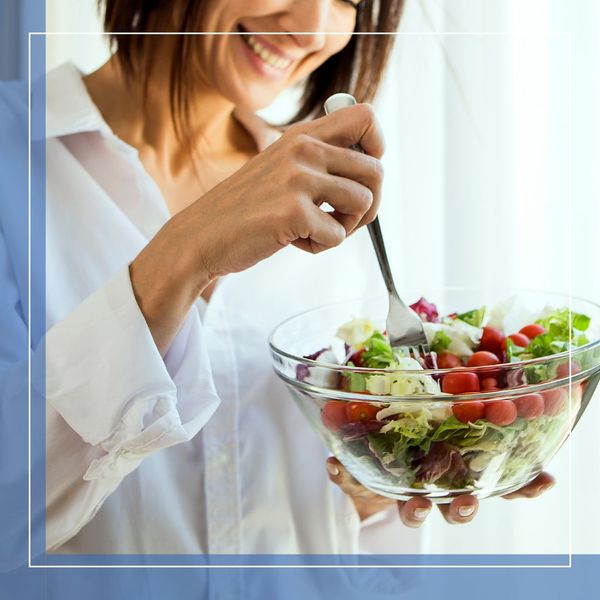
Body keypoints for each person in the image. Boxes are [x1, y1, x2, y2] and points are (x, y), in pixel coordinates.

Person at [2, 0, 554, 556]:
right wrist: (187, 251)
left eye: (351, 1)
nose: (313, 29)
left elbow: (343, 546)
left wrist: (374, 495)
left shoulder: (328, 191)